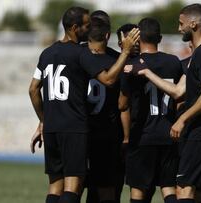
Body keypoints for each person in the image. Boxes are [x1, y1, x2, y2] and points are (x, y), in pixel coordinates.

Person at [29, 6, 139, 203]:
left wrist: (43, 120)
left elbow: (33, 89)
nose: (89, 29)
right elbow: (108, 80)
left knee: (55, 186)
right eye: (86, 25)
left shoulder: (47, 53)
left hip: (52, 127)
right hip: (77, 127)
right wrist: (126, 52)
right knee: (75, 186)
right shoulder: (82, 54)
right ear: (74, 27)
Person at [138, 4, 201, 203]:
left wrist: (182, 118)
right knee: (191, 190)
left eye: (181, 23)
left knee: (184, 190)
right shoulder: (198, 55)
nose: (178, 28)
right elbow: (177, 91)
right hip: (197, 131)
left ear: (193, 23)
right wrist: (147, 73)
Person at [122, 17, 183, 203]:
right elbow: (180, 99)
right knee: (168, 187)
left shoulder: (132, 64)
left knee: (138, 191)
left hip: (142, 135)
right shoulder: (173, 62)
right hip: (168, 134)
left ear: (138, 38)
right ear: (160, 38)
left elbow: (122, 104)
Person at [84, 12, 129, 203]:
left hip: (80, 129)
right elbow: (123, 103)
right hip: (107, 132)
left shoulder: (77, 55)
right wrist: (126, 137)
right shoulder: (118, 60)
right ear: (108, 35)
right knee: (108, 189)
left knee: (72, 185)